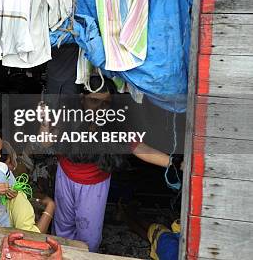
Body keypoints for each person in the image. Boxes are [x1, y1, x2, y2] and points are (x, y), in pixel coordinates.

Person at [50, 77, 181, 252]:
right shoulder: (67, 119)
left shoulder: (115, 124)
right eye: (94, 101)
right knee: (62, 226)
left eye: (106, 103)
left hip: (94, 186)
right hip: (65, 178)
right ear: (82, 99)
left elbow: (139, 147)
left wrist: (172, 163)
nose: (100, 108)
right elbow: (46, 141)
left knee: (89, 235)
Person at [0, 128, 55, 234]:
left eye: (0, 151)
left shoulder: (3, 168)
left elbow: (14, 189)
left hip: (4, 225)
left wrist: (13, 192)